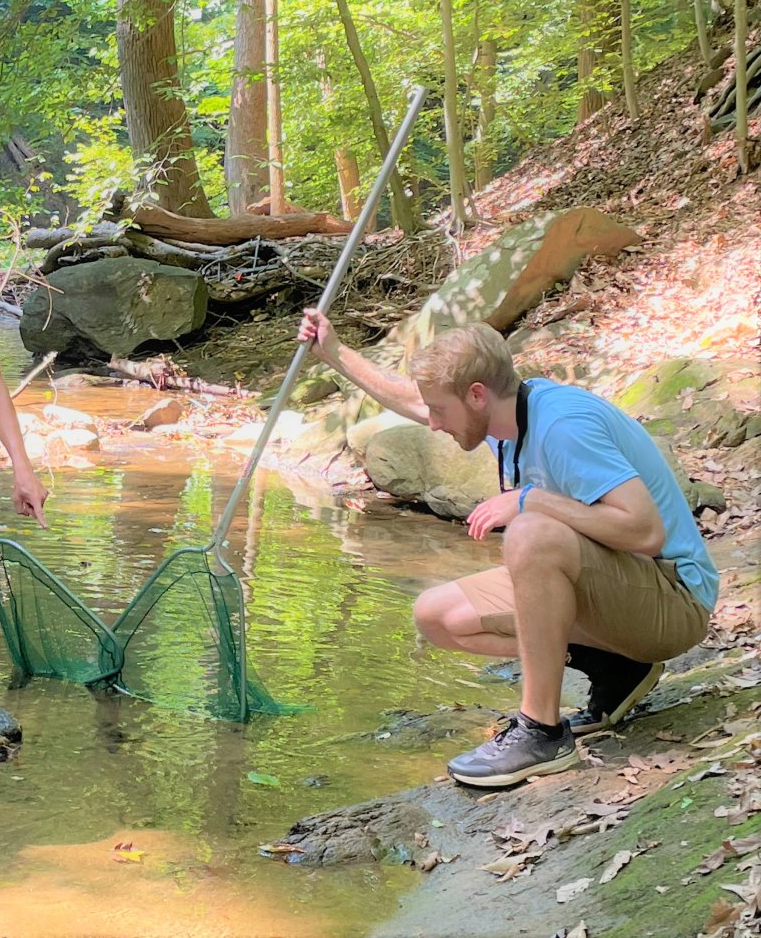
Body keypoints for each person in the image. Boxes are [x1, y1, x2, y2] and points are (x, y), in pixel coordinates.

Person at [298, 311, 718, 787]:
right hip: (621, 591)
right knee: (437, 614)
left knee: (529, 531)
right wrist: (334, 352)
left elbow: (645, 532)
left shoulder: (562, 427)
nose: (432, 424)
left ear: (477, 395)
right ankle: (619, 666)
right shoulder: (504, 414)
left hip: (674, 600)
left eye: (441, 412)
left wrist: (528, 499)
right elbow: (416, 401)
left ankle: (541, 732)